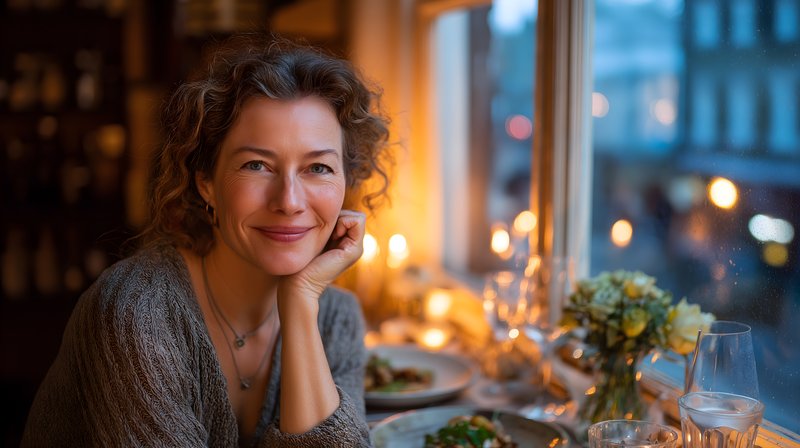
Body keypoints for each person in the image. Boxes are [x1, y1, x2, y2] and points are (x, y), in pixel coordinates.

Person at [22, 33, 391, 447]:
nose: (289, 201)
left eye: (318, 168)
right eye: (256, 165)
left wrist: (301, 302)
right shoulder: (136, 313)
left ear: (346, 182)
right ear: (206, 183)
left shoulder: (337, 317)